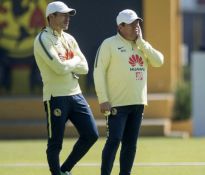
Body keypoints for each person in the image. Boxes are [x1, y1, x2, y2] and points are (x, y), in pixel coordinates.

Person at [93, 9, 164, 175]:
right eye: (132, 24)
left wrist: (142, 43)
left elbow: (159, 61)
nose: (136, 27)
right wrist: (103, 98)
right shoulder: (108, 44)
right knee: (114, 140)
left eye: (137, 23)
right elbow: (98, 72)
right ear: (120, 26)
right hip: (117, 104)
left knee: (131, 144)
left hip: (138, 104)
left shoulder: (142, 45)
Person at [33, 1, 99, 175]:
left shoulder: (69, 39)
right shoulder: (42, 39)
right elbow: (59, 68)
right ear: (51, 17)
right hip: (56, 97)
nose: (67, 18)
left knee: (91, 134)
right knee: (55, 143)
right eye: (63, 14)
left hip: (76, 94)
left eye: (68, 15)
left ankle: (65, 170)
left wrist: (70, 63)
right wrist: (74, 61)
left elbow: (84, 68)